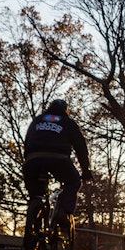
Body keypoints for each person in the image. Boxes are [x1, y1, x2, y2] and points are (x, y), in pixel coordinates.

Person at [22, 98, 92, 233]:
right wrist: (85, 169)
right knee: (73, 181)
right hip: (58, 159)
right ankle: (63, 210)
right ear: (66, 110)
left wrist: (29, 160)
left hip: (33, 159)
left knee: (35, 193)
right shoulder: (68, 122)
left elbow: (27, 141)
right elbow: (80, 147)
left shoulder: (37, 120)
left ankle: (34, 213)